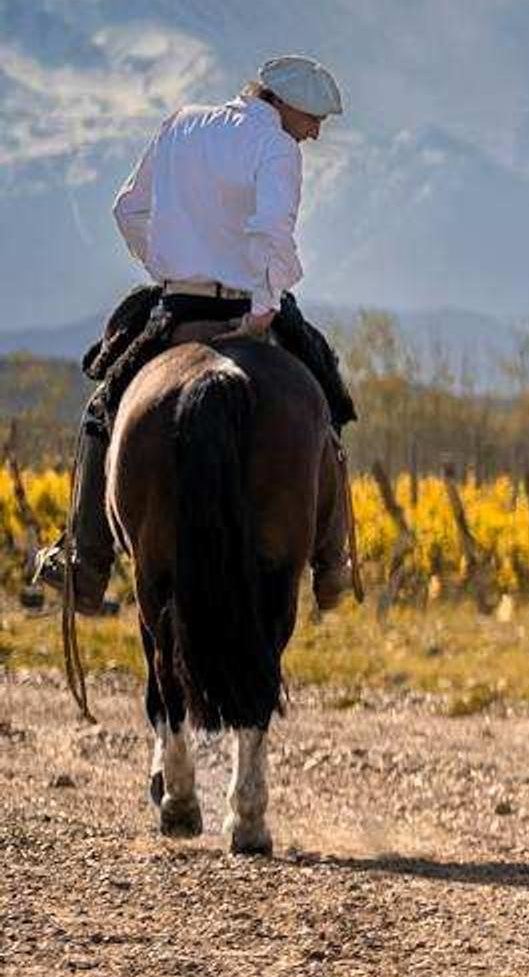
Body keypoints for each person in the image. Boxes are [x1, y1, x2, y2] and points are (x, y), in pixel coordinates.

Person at [34, 56, 358, 615]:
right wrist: (261, 312)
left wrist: (163, 265)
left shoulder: (182, 123)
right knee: (328, 398)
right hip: (247, 307)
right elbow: (274, 231)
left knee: (104, 405)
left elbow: (128, 209)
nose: (316, 132)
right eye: (313, 118)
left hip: (176, 302)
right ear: (280, 104)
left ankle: (85, 566)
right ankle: (331, 565)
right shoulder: (275, 147)